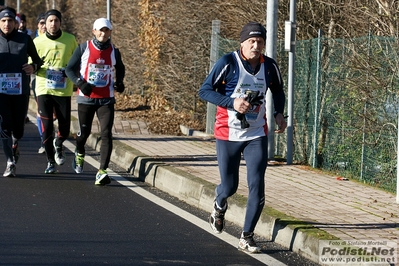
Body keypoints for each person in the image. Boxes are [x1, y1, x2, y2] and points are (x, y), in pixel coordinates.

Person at [198, 22, 287, 253]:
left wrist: (279, 113)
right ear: (242, 43)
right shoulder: (228, 63)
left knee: (257, 185)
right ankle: (219, 204)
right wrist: (232, 103)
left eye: (260, 42)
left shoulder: (269, 66)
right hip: (228, 133)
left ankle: (247, 236)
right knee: (230, 186)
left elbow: (277, 88)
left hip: (256, 133)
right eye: (251, 41)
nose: (256, 46)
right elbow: (205, 90)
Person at [65, 18, 125, 185]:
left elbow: (120, 68)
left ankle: (102, 171)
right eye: (100, 30)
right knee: (84, 134)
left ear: (110, 32)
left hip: (106, 99)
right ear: (93, 31)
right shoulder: (83, 48)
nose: (103, 33)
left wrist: (119, 82)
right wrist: (80, 83)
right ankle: (80, 151)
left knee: (106, 133)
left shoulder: (114, 51)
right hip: (87, 98)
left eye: (106, 30)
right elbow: (69, 69)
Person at [33, 9, 77, 174]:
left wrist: (72, 72)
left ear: (60, 22)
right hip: (44, 88)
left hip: (63, 90)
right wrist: (33, 67)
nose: (53, 24)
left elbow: (77, 61)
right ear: (45, 23)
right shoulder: (38, 42)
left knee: (65, 128)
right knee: (46, 126)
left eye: (56, 21)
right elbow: (31, 62)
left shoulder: (70, 40)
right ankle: (50, 161)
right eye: (50, 21)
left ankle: (58, 144)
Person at [0, 6, 42, 177]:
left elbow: (38, 61)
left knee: (18, 130)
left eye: (10, 21)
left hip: (20, 91)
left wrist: (33, 66)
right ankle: (10, 162)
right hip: (1, 93)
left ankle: (15, 145)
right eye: (3, 21)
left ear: (16, 23)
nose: (7, 24)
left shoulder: (24, 39)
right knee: (4, 126)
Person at [31, 12, 46, 153]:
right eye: (41, 23)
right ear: (38, 26)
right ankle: (44, 140)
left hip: (57, 81)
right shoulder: (33, 41)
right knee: (41, 110)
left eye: (45, 23)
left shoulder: (59, 40)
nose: (44, 26)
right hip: (38, 79)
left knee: (54, 113)